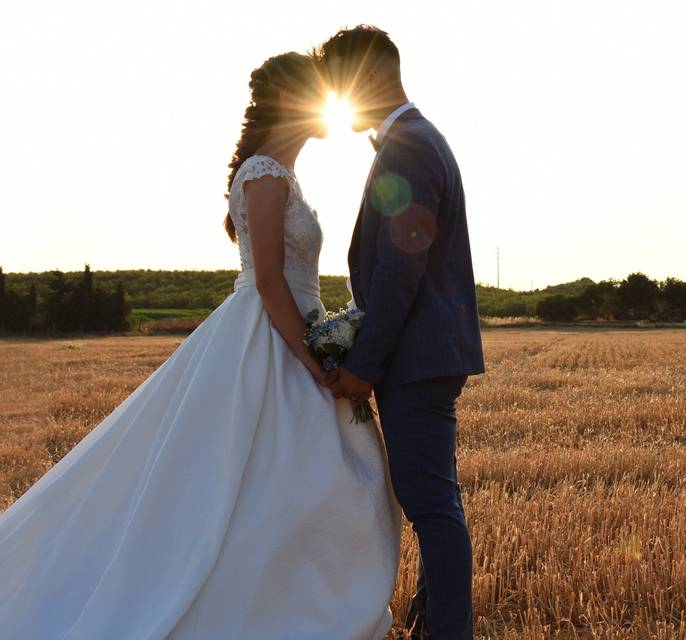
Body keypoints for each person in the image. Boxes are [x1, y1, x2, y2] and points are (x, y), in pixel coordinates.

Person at [0, 51, 401, 639]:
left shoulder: (283, 173)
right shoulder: (264, 173)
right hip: (270, 335)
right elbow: (267, 281)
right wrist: (315, 358)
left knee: (317, 477)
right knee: (255, 480)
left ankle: (301, 600)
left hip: (298, 323)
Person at [319, 26, 486, 640]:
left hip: (416, 358)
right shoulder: (415, 140)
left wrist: (363, 364)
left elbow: (399, 271)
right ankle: (435, 624)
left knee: (431, 506)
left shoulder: (409, 147)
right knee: (435, 500)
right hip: (426, 355)